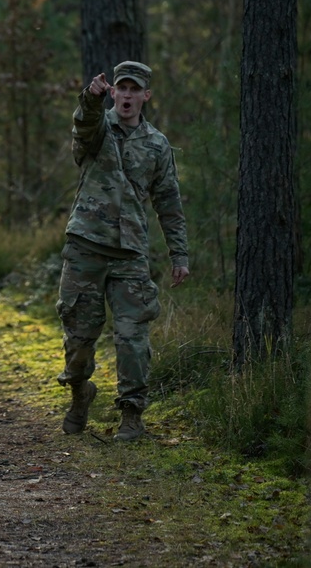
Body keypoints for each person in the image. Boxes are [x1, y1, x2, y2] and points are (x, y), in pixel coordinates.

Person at [56, 61, 189, 441]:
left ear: (146, 95)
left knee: (133, 338)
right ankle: (81, 393)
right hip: (85, 246)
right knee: (79, 337)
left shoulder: (157, 145)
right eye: (121, 88)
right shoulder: (99, 128)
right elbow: (83, 127)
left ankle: (132, 415)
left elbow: (169, 203)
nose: (127, 95)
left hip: (130, 253)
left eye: (135, 89)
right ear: (113, 91)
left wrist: (179, 255)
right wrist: (90, 99)